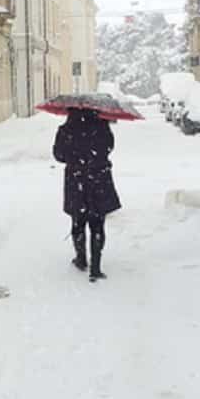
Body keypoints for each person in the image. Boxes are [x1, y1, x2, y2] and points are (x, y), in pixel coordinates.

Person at [52, 108, 121, 282]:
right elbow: (109, 147)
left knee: (78, 221)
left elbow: (58, 155)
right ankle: (96, 267)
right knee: (97, 223)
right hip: (99, 178)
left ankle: (81, 258)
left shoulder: (66, 129)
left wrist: (74, 156)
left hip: (76, 180)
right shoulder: (102, 127)